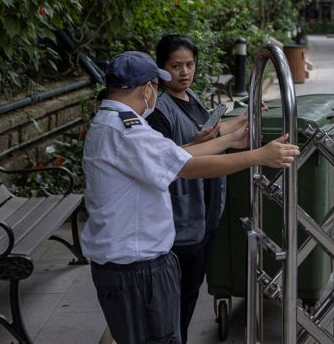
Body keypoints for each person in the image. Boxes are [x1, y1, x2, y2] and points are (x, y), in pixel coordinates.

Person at [80, 51, 298, 344]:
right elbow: (188, 167)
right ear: (147, 89)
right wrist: (258, 156)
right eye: (156, 86)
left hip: (129, 262)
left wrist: (229, 140)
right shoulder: (127, 131)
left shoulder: (113, 122)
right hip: (136, 268)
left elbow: (174, 155)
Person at [145, 35, 245, 342]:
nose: (184, 72)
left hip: (206, 214)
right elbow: (163, 160)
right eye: (175, 66)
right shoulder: (160, 111)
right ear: (162, 70)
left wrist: (244, 118)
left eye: (189, 65)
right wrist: (197, 144)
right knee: (178, 300)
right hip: (181, 221)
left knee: (189, 294)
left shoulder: (191, 97)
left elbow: (211, 133)